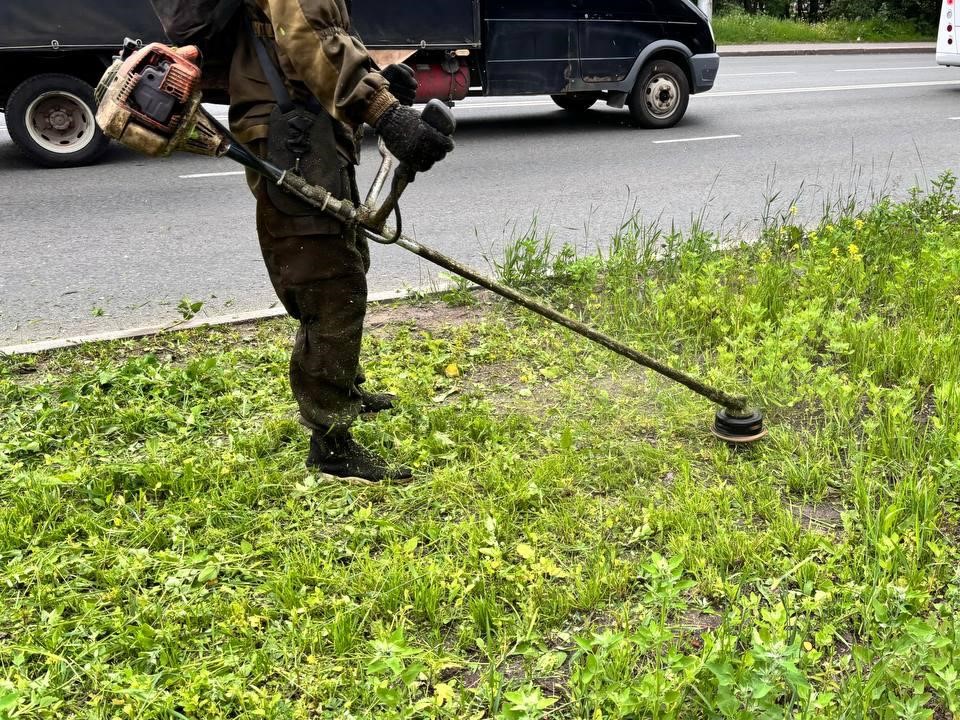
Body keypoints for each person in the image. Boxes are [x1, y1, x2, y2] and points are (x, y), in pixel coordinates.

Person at [227, 0, 453, 483]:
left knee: (347, 258)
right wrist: (384, 111)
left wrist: (377, 77)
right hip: (291, 134)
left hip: (313, 127)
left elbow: (315, 36)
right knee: (329, 283)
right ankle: (331, 444)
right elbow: (306, 34)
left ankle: (342, 385)